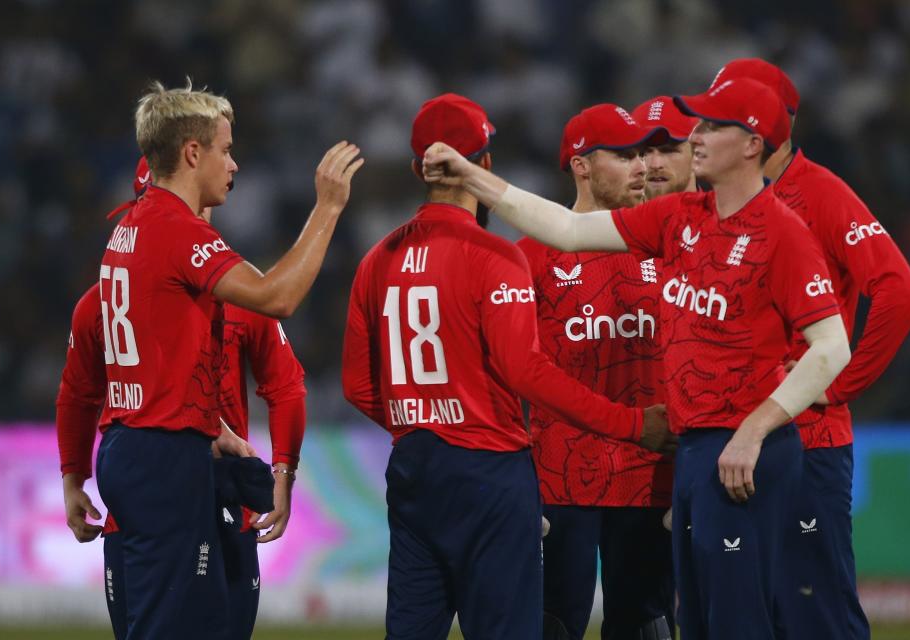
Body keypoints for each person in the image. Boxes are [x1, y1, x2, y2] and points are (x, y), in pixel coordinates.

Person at [422, 78, 852, 639]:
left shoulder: (783, 233)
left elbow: (831, 346)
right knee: (698, 620)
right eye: (697, 124)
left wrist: (756, 428)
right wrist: (471, 174)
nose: (694, 135)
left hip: (741, 450)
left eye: (713, 126)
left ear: (752, 145)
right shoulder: (682, 220)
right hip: (689, 453)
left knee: (739, 618)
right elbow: (569, 229)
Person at [342, 93, 674, 640]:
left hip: (415, 464)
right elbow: (526, 371)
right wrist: (637, 426)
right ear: (484, 165)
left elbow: (358, 384)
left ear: (414, 167)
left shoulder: (376, 259)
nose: (642, 166)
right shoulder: (499, 256)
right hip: (494, 469)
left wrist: (428, 422)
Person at [93, 80, 361, 639]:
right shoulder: (176, 230)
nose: (233, 163)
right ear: (193, 153)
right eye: (225, 148)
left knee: (187, 621)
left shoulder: (130, 228)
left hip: (138, 444)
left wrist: (208, 424)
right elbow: (276, 297)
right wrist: (328, 208)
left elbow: (151, 355)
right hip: (163, 458)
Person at [57, 157, 309, 640]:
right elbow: (77, 393)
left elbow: (285, 385)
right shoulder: (240, 293)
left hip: (191, 493)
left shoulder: (105, 300)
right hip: (171, 484)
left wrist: (283, 468)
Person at [710, 58, 910, 640]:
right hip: (728, 436)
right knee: (744, 616)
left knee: (814, 614)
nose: (704, 130)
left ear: (763, 127)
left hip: (805, 441)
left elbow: (896, 289)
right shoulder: (719, 200)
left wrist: (839, 385)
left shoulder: (819, 192)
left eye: (722, 115)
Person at [517, 104, 674, 640]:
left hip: (652, 477)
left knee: (646, 627)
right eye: (625, 154)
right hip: (561, 481)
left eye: (645, 153)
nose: (641, 166)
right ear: (581, 165)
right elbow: (513, 371)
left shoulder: (669, 245)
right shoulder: (530, 257)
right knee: (554, 625)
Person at [632, 95, 699, 200]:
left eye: (668, 151)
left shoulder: (725, 214)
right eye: (643, 153)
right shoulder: (609, 216)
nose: (655, 165)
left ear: (697, 154)